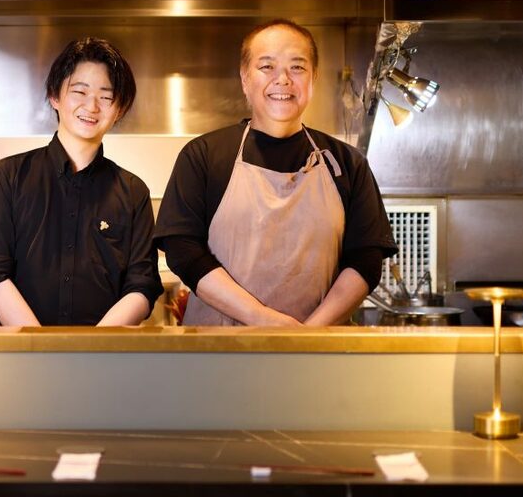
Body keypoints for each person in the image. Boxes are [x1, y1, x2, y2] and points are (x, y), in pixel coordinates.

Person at [155, 19, 398, 326]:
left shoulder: (346, 163)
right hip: (217, 358)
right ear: (245, 78)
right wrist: (262, 319)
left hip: (316, 358)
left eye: (297, 67)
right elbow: (183, 251)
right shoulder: (203, 156)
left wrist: (307, 335)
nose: (282, 79)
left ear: (313, 78)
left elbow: (365, 260)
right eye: (266, 67)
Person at [0, 37, 163, 326]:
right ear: (55, 96)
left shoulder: (133, 191)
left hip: (105, 361)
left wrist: (93, 350)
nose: (92, 106)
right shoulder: (7, 177)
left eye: (106, 96)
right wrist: (39, 348)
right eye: (79, 91)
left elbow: (142, 284)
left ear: (119, 109)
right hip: (23, 358)